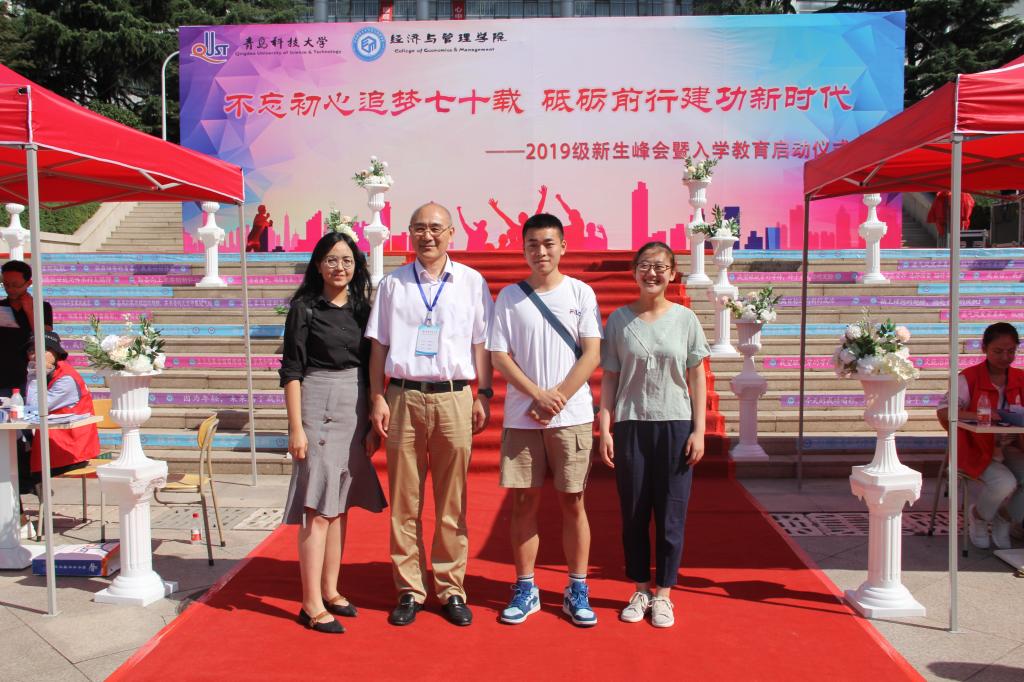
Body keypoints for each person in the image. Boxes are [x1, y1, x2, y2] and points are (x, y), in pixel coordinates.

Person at [366, 202, 493, 627]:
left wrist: (483, 392)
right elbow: (379, 344)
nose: (428, 236)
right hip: (403, 396)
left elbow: (481, 343)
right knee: (405, 500)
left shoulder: (471, 283)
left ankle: (451, 587)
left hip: (454, 397)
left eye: (436, 228)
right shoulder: (393, 284)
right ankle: (409, 589)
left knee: (452, 500)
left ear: (452, 233)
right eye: (419, 228)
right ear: (409, 233)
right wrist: (377, 396)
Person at [487, 213, 602, 627]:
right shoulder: (509, 297)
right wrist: (537, 395)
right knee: (524, 502)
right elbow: (499, 355)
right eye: (533, 244)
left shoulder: (580, 292)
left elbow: (592, 353)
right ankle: (525, 586)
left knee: (573, 501)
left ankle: (577, 587)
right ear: (523, 249)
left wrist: (557, 398)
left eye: (549, 243)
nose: (541, 252)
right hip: (523, 416)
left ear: (563, 246)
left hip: (572, 416)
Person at [279, 231, 387, 634]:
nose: (339, 267)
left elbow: (372, 365)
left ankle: (330, 589)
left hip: (354, 404)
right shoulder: (304, 308)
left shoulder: (363, 309)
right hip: (317, 404)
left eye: (347, 260)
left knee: (340, 503)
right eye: (331, 259)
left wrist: (371, 419)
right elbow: (291, 370)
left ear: (356, 266)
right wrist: (296, 428)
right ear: (318, 264)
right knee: (317, 506)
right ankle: (310, 603)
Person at [598, 241, 709, 628]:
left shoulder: (685, 319)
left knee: (671, 513)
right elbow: (610, 376)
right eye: (645, 266)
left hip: (675, 424)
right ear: (634, 272)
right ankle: (641, 588)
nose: (652, 273)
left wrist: (699, 429)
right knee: (633, 512)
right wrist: (605, 426)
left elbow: (696, 375)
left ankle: (664, 594)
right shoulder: (618, 320)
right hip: (631, 424)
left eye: (661, 267)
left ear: (673, 273)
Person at [937, 322, 1024, 549]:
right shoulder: (968, 378)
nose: (1005, 357)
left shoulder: (1020, 378)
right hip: (974, 446)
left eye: (1011, 351)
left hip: (1011, 446)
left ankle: (1004, 517)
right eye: (998, 351)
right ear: (984, 348)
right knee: (1004, 482)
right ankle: (979, 516)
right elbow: (945, 411)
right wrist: (982, 414)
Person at [23, 332, 100, 485]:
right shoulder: (49, 372)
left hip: (72, 451)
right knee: (13, 455)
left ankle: (29, 494)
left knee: (15, 465)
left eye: (43, 349)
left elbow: (34, 407)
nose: (36, 356)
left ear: (56, 353)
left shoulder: (66, 379)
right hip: (56, 446)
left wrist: (34, 374)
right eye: (31, 351)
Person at [1, 260, 53, 398]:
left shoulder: (43, 307)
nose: (10, 289)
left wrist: (30, 310)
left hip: (30, 376)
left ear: (28, 283)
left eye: (15, 285)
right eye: (6, 284)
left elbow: (45, 338)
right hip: (3, 375)